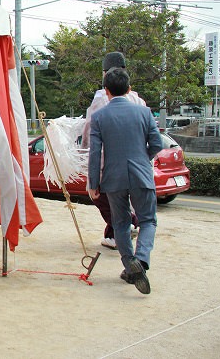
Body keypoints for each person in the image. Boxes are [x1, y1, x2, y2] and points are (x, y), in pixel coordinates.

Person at [88, 68, 163, 295]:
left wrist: (93, 184)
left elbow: (95, 153)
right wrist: (142, 158)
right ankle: (141, 260)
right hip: (141, 175)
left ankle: (130, 265)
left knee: (120, 223)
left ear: (106, 91)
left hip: (113, 178)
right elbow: (157, 144)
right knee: (148, 221)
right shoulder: (145, 112)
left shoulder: (99, 117)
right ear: (129, 89)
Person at [81, 51, 145, 250]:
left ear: (104, 75)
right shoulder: (139, 102)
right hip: (137, 165)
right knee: (123, 201)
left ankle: (129, 224)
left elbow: (90, 134)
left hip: (108, 164)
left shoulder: (102, 99)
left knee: (101, 197)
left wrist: (83, 153)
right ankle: (114, 235)